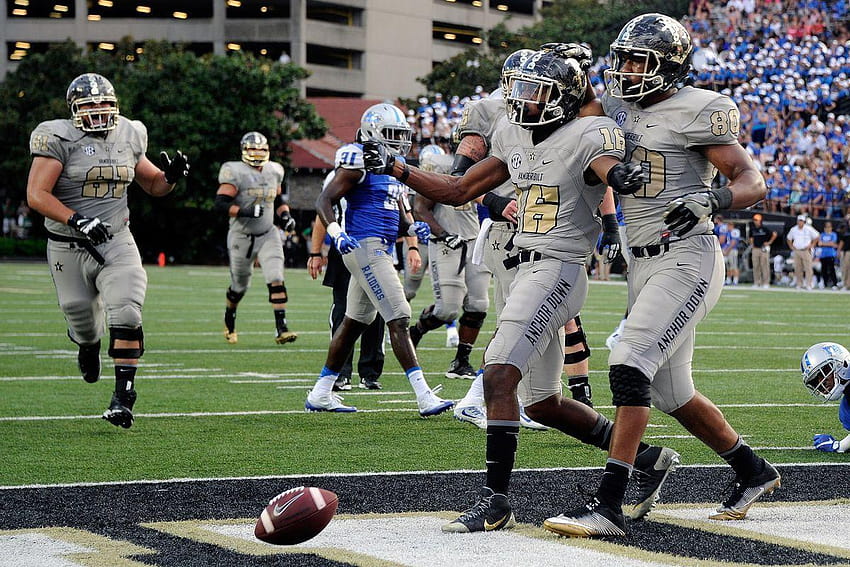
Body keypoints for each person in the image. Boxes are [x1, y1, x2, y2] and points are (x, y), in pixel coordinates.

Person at [364, 47, 677, 534]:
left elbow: (609, 168)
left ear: (564, 97)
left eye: (535, 91)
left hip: (558, 266)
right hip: (524, 266)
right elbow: (457, 190)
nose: (522, 98)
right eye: (521, 89)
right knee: (539, 402)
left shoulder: (589, 132)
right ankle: (648, 458)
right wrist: (397, 167)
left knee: (497, 372)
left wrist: (622, 177)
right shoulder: (513, 133)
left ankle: (496, 502)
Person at [543, 14, 777, 538]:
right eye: (621, 59)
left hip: (686, 254)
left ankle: (609, 503)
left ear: (668, 66)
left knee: (629, 360)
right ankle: (753, 471)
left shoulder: (699, 109)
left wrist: (712, 197)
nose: (625, 71)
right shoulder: (619, 105)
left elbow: (751, 180)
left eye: (637, 61)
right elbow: (574, 111)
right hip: (642, 260)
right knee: (672, 392)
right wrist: (569, 67)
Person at [26, 72, 189, 428]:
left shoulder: (130, 133)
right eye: (90, 105)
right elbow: (37, 194)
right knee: (81, 317)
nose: (98, 111)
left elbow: (153, 184)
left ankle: (123, 398)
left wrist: (170, 177)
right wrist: (75, 219)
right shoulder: (57, 137)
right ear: (74, 110)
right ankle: (87, 345)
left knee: (127, 309)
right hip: (69, 244)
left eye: (104, 104)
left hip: (116, 238)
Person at [305, 103, 453, 417]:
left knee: (355, 321)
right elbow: (324, 199)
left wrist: (412, 227)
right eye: (390, 134)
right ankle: (424, 396)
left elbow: (394, 210)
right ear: (372, 132)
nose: (397, 140)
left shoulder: (394, 164)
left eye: (401, 134)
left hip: (381, 246)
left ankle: (320, 393)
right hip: (364, 246)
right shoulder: (356, 158)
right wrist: (335, 231)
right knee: (399, 315)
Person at [409, 143, 491, 379]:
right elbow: (421, 208)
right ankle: (415, 332)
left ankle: (461, 361)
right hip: (446, 241)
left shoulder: (483, 165)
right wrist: (444, 234)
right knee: (447, 310)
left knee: (478, 304)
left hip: (474, 239)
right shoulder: (438, 164)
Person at [215, 132, 297, 345]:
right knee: (240, 285)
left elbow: (277, 199)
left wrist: (286, 216)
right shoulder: (234, 171)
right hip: (241, 235)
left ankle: (282, 328)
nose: (257, 153)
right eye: (253, 149)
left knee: (276, 276)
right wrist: (245, 211)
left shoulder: (274, 170)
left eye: (261, 149)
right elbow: (221, 203)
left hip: (268, 233)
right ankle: (229, 317)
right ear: (244, 150)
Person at [307, 174, 386, 391]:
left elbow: (401, 211)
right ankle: (340, 371)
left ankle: (370, 372)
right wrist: (315, 252)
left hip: (378, 246)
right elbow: (322, 213)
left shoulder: (387, 171)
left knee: (380, 309)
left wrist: (412, 244)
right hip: (346, 245)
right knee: (343, 307)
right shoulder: (342, 173)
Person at [801, 342, 850, 453]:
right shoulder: (847, 407)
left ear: (841, 364)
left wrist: (839, 446)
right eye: (815, 380)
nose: (821, 382)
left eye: (822, 374)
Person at [786, 214, 819, 290]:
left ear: (804, 222)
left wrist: (812, 245)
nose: (800, 222)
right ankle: (799, 284)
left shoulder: (808, 228)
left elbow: (817, 236)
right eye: (799, 221)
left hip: (806, 250)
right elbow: (788, 238)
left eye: (801, 221)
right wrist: (791, 247)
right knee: (798, 268)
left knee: (808, 268)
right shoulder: (793, 229)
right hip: (797, 250)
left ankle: (809, 284)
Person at [749, 213, 776, 289]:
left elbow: (774, 234)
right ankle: (757, 282)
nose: (755, 221)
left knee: (764, 266)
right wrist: (752, 244)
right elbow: (751, 238)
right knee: (756, 266)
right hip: (756, 249)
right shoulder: (753, 229)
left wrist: (769, 242)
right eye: (754, 220)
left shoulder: (765, 229)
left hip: (763, 249)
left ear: (760, 221)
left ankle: (766, 282)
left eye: (756, 220)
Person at [817, 221, 839, 289]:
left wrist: (824, 243)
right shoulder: (822, 234)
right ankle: (825, 283)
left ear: (831, 228)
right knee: (824, 270)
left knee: (832, 269)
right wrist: (828, 244)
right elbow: (819, 243)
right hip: (823, 254)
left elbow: (833, 243)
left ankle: (835, 284)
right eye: (826, 227)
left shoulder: (833, 234)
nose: (828, 228)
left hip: (831, 254)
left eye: (829, 227)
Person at [721, 221, 740, 285]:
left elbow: (733, 243)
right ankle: (728, 279)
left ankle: (735, 280)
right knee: (728, 266)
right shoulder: (727, 232)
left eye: (728, 226)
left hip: (732, 250)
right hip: (727, 250)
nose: (727, 227)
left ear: (731, 226)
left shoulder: (735, 231)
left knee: (734, 265)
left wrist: (727, 251)